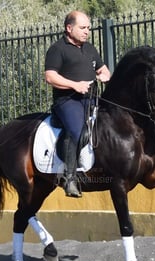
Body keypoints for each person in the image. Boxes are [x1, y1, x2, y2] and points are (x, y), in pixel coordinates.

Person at [45, 10, 111, 198]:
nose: (86, 31)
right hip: (67, 101)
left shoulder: (90, 48)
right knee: (76, 129)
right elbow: (50, 77)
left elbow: (102, 69)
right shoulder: (58, 49)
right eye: (82, 28)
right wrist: (75, 85)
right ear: (69, 28)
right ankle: (70, 178)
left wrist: (105, 75)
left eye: (88, 28)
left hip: (91, 99)